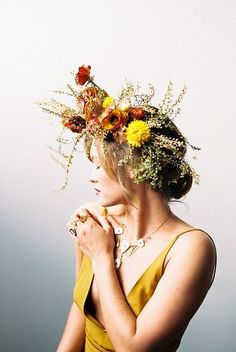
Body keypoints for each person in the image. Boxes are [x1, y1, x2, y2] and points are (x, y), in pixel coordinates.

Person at [37, 65, 217, 351]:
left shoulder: (191, 247)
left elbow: (133, 347)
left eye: (100, 165)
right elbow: (81, 311)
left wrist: (101, 256)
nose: (91, 176)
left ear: (134, 169)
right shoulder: (94, 222)